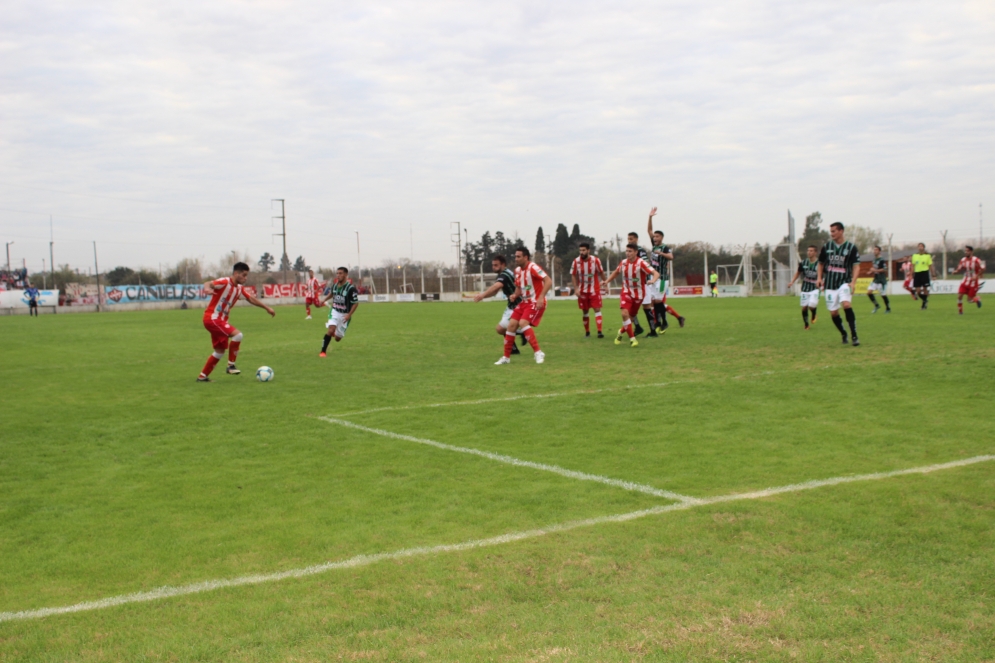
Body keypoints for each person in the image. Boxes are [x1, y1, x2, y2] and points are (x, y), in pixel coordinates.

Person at [198, 262, 275, 382]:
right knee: (238, 335)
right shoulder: (224, 282)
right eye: (244, 275)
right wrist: (207, 289)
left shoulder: (239, 289)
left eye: (246, 275)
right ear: (236, 273)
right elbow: (208, 283)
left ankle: (202, 377)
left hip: (219, 321)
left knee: (219, 352)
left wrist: (267, 308)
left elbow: (251, 299)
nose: (245, 278)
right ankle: (230, 366)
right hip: (212, 318)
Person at [494, 247, 550, 365]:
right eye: (515, 256)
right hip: (524, 302)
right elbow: (519, 286)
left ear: (526, 257)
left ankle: (538, 352)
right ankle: (506, 357)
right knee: (511, 325)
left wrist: (541, 297)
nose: (516, 259)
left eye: (518, 256)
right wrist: (515, 295)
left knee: (522, 323)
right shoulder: (518, 270)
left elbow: (548, 281)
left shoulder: (533, 267)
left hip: (535, 301)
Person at [604, 243, 660, 347]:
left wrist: (653, 280)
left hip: (638, 295)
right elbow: (616, 272)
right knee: (624, 314)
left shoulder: (641, 263)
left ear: (635, 252)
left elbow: (656, 273)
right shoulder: (624, 263)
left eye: (630, 251)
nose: (627, 253)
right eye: (627, 251)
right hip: (626, 292)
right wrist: (607, 281)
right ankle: (632, 339)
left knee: (631, 318)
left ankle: (620, 332)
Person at [816, 222, 860, 346]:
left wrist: (853, 282)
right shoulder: (827, 247)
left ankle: (854, 335)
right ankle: (843, 333)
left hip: (844, 282)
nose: (832, 234)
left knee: (846, 305)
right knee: (834, 313)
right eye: (831, 231)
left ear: (841, 231)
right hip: (829, 285)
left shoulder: (851, 248)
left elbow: (856, 266)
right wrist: (819, 278)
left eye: (834, 231)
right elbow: (820, 263)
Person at [473, 254, 522, 354]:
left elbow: (496, 287)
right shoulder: (504, 273)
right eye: (493, 265)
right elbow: (495, 292)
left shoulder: (505, 275)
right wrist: (484, 297)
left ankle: (520, 337)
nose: (493, 267)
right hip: (511, 305)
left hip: (518, 305)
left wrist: (482, 295)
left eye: (496, 265)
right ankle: (514, 347)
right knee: (500, 329)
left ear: (503, 264)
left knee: (501, 329)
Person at [647, 208, 685, 332]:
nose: (655, 238)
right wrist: (650, 217)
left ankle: (663, 322)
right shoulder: (654, 246)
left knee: (658, 302)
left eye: (657, 236)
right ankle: (661, 322)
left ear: (661, 238)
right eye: (654, 237)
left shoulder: (664, 247)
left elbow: (671, 257)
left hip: (662, 278)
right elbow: (649, 230)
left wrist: (661, 254)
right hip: (653, 278)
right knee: (654, 302)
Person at [318, 267, 360, 356]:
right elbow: (332, 293)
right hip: (335, 311)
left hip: (345, 315)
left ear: (345, 275)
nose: (338, 275)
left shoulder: (350, 288)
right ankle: (323, 351)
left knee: (337, 338)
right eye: (337, 273)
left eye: (340, 273)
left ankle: (335, 333)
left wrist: (349, 315)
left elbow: (356, 303)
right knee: (330, 330)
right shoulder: (335, 285)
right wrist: (324, 300)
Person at [570, 242, 605, 338]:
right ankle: (587, 332)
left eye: (584, 250)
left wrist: (605, 283)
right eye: (580, 250)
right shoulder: (576, 261)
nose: (581, 252)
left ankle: (599, 332)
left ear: (588, 250)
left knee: (597, 309)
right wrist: (576, 288)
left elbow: (601, 272)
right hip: (582, 291)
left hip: (594, 290)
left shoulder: (595, 260)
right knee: (585, 311)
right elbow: (573, 275)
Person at [786, 245, 821, 330]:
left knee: (811, 306)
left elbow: (826, 273)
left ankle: (813, 313)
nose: (809, 252)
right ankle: (806, 325)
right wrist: (792, 282)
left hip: (815, 288)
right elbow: (798, 273)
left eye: (811, 251)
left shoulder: (820, 264)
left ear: (815, 252)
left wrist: (822, 281)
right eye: (808, 250)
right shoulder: (803, 262)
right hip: (805, 288)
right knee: (804, 307)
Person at [626, 230, 653, 335]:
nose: (629, 241)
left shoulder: (640, 250)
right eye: (628, 239)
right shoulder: (629, 251)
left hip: (643, 283)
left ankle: (653, 330)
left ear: (636, 239)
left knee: (646, 306)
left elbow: (646, 263)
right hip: (633, 285)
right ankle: (638, 327)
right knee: (631, 307)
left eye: (631, 239)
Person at [953, 245, 984, 314]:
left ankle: (977, 299)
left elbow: (983, 268)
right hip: (965, 281)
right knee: (959, 296)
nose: (966, 252)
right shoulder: (963, 260)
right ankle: (960, 312)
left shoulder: (976, 260)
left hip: (973, 282)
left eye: (967, 251)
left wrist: (977, 275)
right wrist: (956, 271)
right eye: (965, 251)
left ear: (971, 252)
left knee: (969, 300)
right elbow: (959, 268)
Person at [867, 245, 891, 313]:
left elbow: (885, 269)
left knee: (883, 295)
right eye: (874, 250)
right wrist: (870, 272)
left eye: (876, 250)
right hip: (876, 279)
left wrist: (874, 270)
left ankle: (888, 308)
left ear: (879, 251)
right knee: (869, 292)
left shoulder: (881, 260)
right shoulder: (874, 260)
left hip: (881, 280)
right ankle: (876, 305)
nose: (874, 251)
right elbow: (875, 269)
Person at [911, 243, 936, 309]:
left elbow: (930, 266)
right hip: (917, 273)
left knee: (925, 289)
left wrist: (933, 275)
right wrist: (911, 274)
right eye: (919, 246)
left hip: (924, 273)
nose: (920, 247)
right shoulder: (914, 256)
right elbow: (913, 266)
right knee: (918, 291)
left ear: (924, 247)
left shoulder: (927, 256)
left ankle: (924, 305)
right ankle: (925, 300)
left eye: (921, 246)